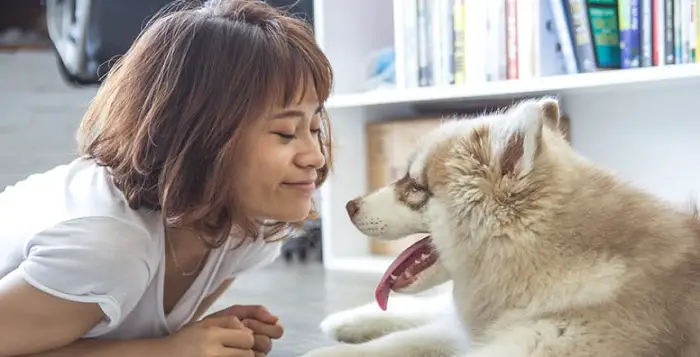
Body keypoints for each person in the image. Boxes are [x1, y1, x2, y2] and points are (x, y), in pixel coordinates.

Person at [0, 0, 333, 356]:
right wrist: (167, 351)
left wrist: (202, 337)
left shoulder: (244, 227)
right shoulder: (108, 247)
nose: (315, 156)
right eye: (284, 132)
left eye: (314, 128)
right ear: (198, 135)